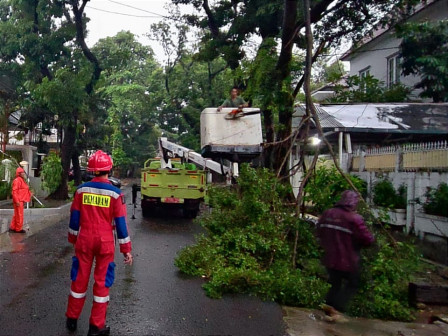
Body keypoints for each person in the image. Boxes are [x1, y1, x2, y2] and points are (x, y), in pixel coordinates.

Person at [65, 150, 133, 336]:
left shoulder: (81, 190)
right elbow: (120, 224)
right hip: (105, 243)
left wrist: (73, 239)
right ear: (108, 170)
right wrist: (126, 250)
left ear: (92, 170)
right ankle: (96, 327)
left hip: (84, 240)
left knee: (79, 279)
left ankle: (72, 319)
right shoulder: (115, 194)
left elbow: (74, 218)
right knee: (102, 283)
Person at [316, 190, 374, 322]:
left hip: (329, 258)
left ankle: (328, 306)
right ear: (353, 202)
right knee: (353, 283)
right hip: (347, 260)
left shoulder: (328, 213)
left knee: (335, 283)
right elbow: (367, 239)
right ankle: (337, 308)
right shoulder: (354, 218)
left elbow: (319, 231)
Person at [9, 167, 32, 233]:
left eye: (23, 172)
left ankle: (13, 227)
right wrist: (17, 201)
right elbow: (14, 192)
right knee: (19, 214)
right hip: (19, 200)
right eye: (22, 172)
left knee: (17, 214)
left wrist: (30, 193)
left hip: (19, 200)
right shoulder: (18, 180)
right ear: (19, 173)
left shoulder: (20, 180)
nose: (24, 173)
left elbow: (24, 189)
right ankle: (18, 229)